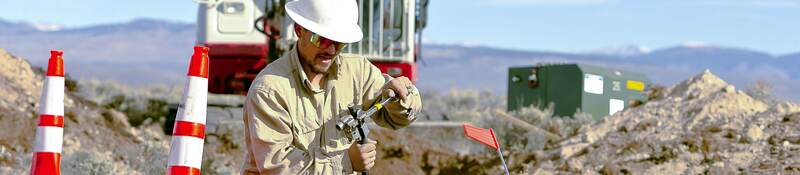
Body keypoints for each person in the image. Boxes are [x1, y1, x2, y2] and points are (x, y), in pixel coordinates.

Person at [241, 0, 422, 174]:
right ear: (299, 30)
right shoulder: (270, 89)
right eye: (321, 40)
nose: (331, 50)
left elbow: (399, 118)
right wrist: (346, 162)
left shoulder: (357, 72)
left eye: (339, 42)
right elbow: (280, 168)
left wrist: (400, 99)